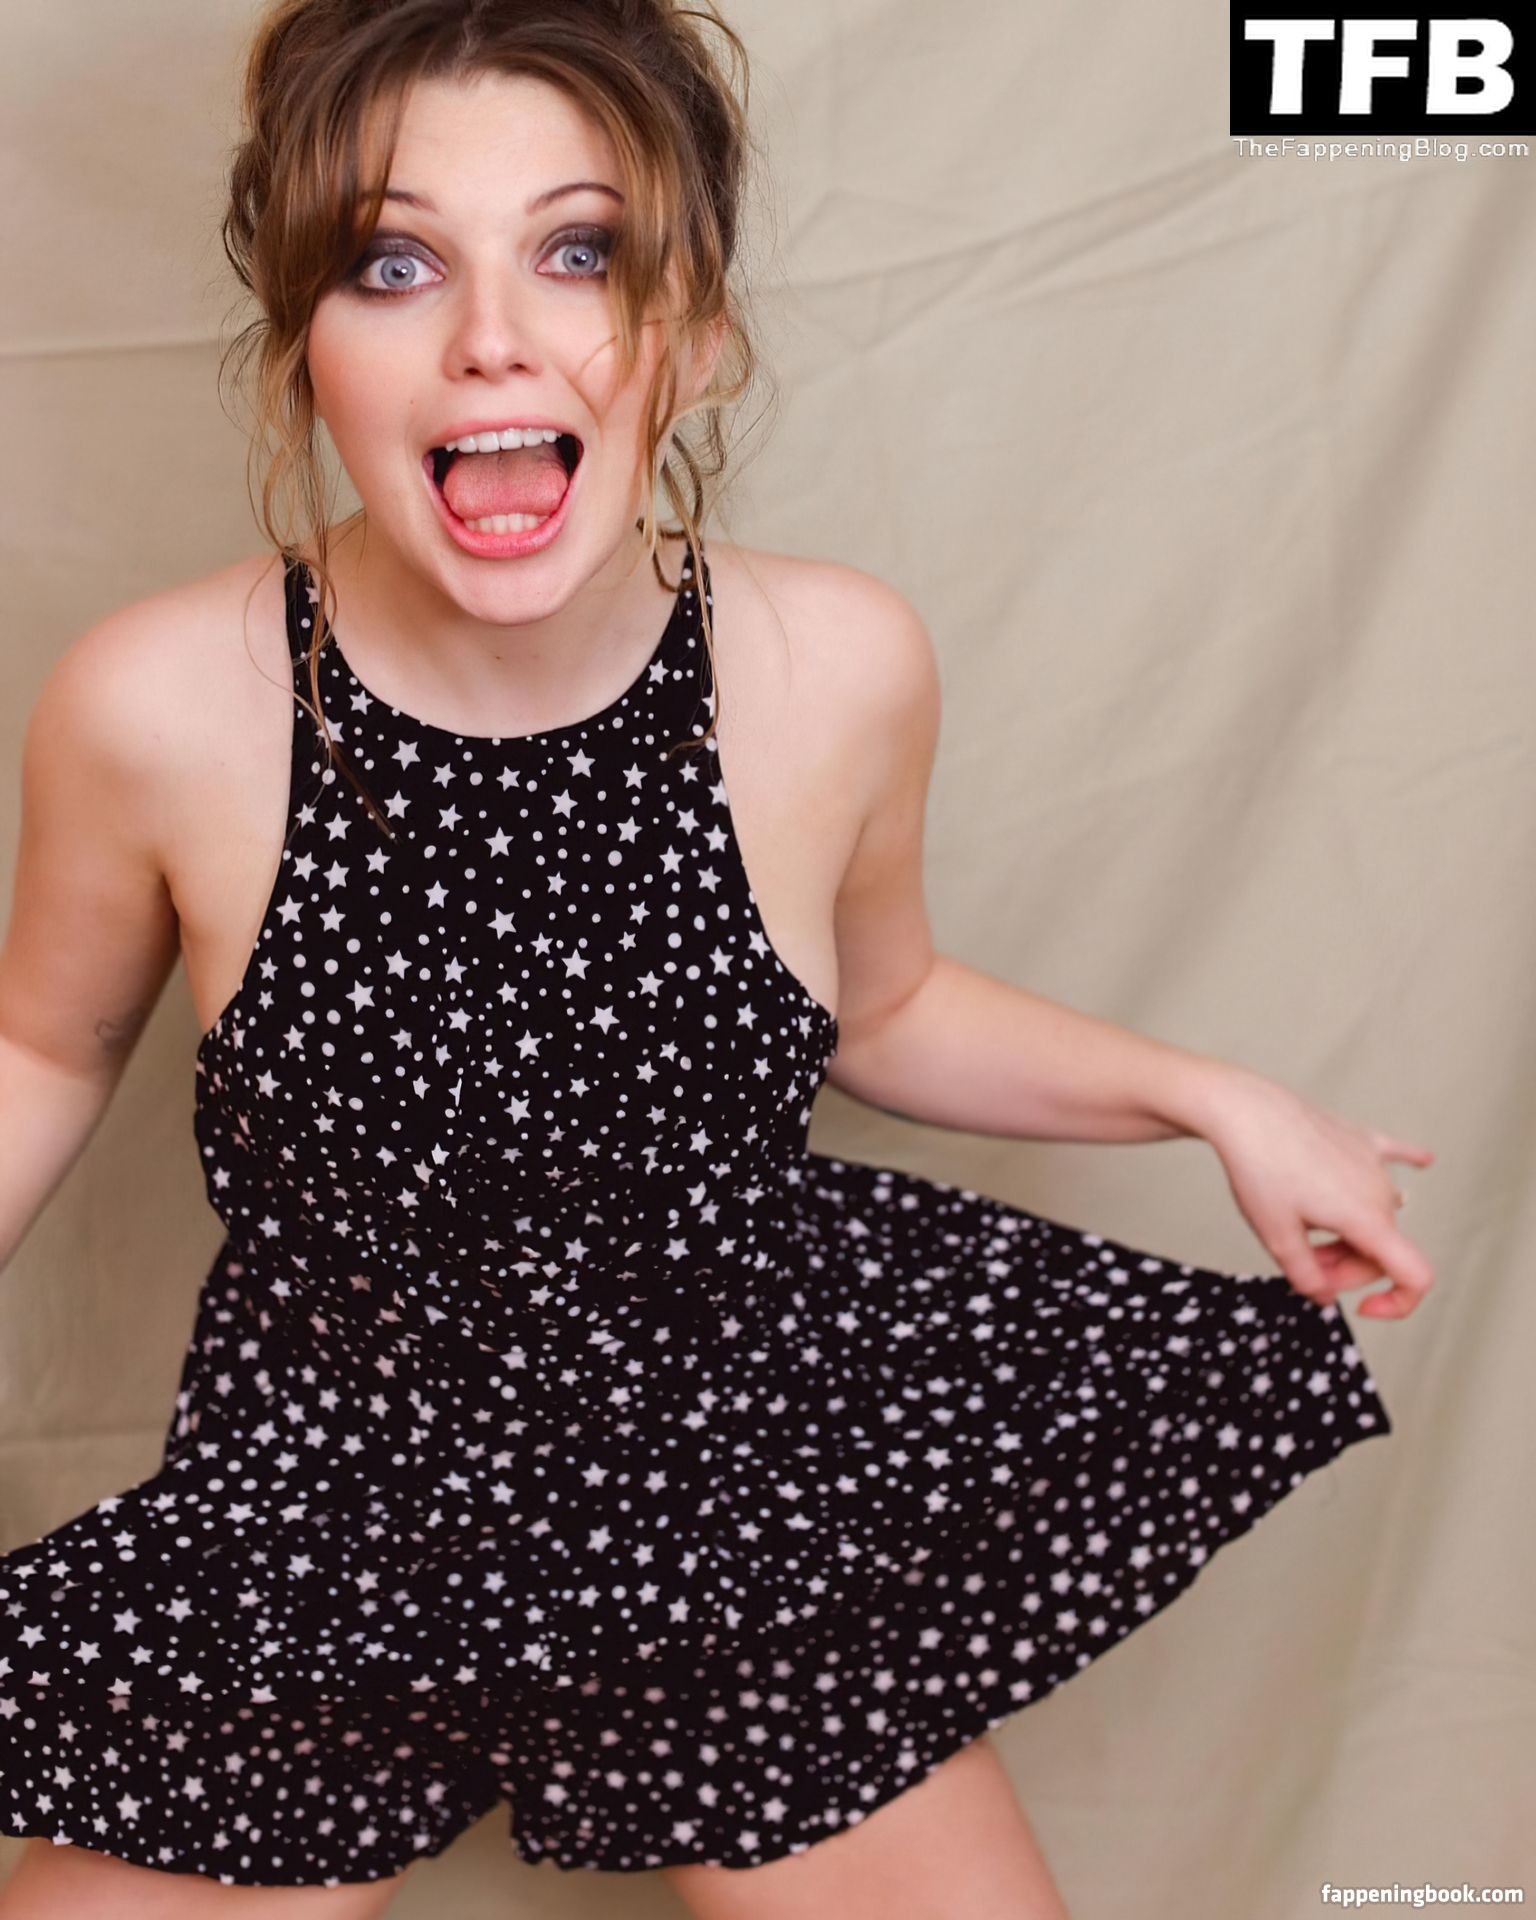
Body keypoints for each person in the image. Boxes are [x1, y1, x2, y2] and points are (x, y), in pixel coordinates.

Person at [0, 2, 1433, 1915]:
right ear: (302, 348)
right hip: (329, 1515)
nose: (492, 336)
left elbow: (886, 1006)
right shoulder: (159, 705)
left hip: (729, 1489)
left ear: (698, 330)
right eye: (395, 264)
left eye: (580, 251)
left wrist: (1217, 1101)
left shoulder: (831, 667)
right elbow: (43, 1049)